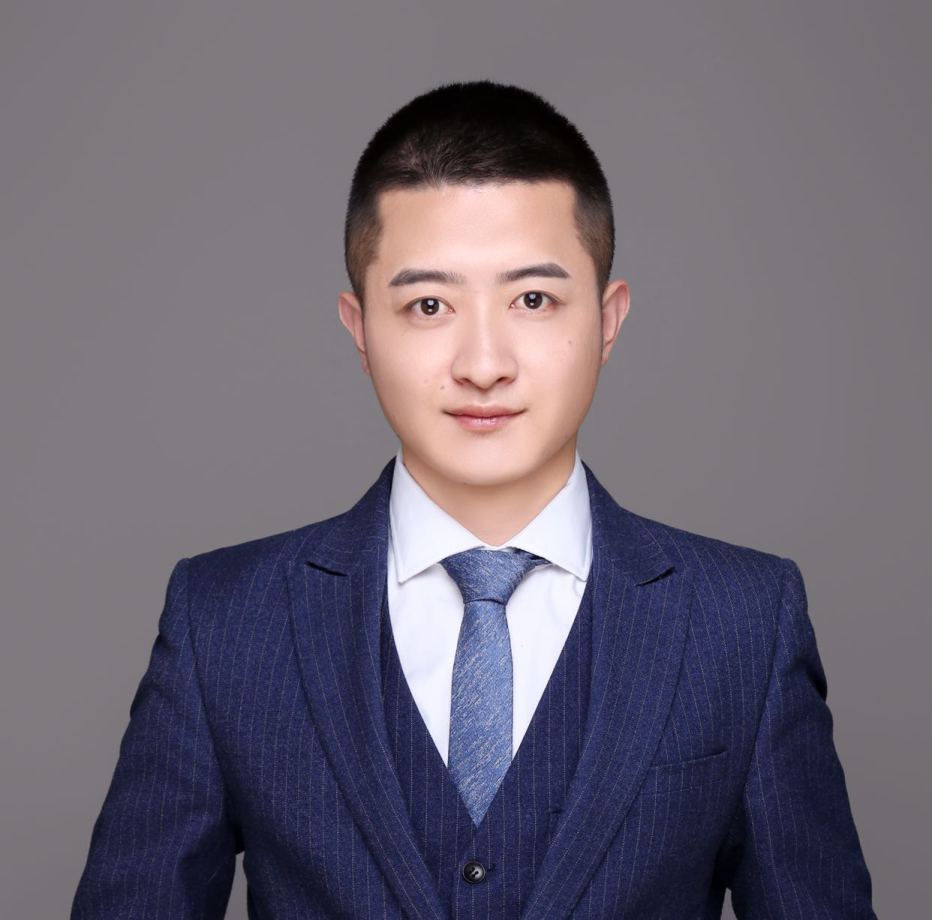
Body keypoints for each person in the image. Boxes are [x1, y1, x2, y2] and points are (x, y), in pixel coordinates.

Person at [71, 80, 876, 919]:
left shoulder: (744, 623)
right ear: (360, 328)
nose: (483, 364)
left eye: (533, 300)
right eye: (429, 305)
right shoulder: (226, 623)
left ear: (608, 321)